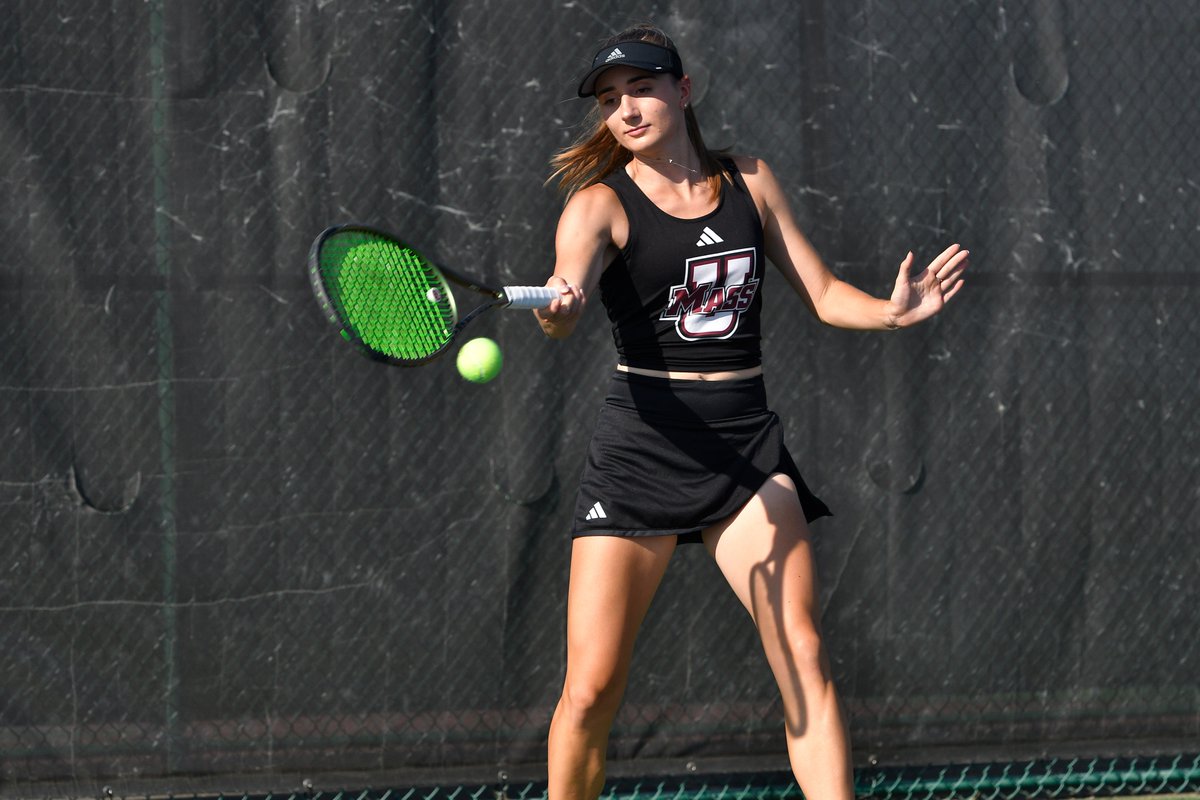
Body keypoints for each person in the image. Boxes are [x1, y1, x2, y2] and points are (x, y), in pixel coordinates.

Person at [532, 24, 968, 800]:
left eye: (640, 88)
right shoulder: (596, 205)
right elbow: (563, 303)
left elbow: (827, 296)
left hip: (744, 448)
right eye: (608, 100)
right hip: (640, 453)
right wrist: (558, 307)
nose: (625, 108)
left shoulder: (751, 180)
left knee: (803, 650)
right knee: (592, 691)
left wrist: (898, 313)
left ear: (683, 89)